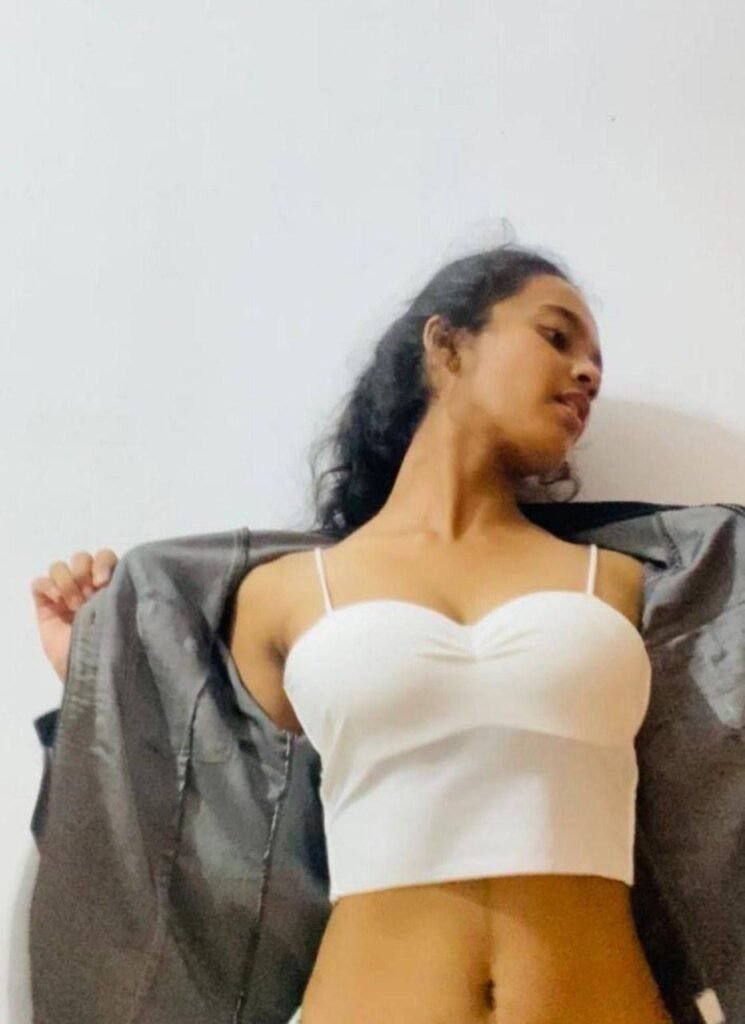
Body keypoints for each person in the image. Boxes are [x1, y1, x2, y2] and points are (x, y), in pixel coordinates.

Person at [32, 243, 674, 1023]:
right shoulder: (285, 594)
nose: (587, 374)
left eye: (596, 363)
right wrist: (101, 677)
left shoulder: (630, 584)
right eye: (556, 336)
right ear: (446, 345)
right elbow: (204, 830)